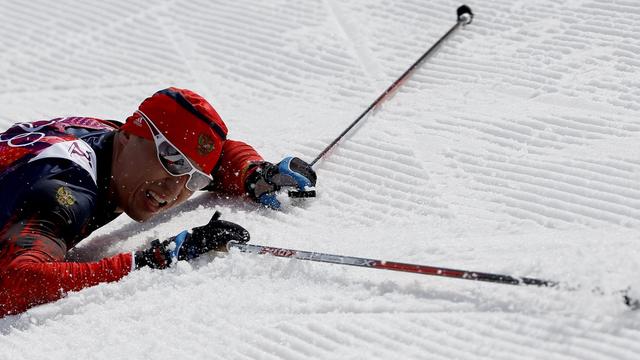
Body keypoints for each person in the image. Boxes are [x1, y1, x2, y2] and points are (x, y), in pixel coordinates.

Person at [0, 87, 316, 317]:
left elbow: (215, 158)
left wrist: (254, 173)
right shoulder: (65, 191)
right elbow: (15, 284)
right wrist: (153, 260)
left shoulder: (110, 140)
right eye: (172, 162)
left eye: (193, 180)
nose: (174, 189)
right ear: (130, 134)